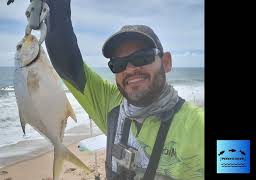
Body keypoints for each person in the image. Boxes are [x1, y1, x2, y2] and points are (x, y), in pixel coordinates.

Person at [44, 0, 204, 179]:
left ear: (166, 62)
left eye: (142, 57)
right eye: (118, 64)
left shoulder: (198, 125)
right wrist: (54, 6)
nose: (129, 69)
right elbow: (68, 64)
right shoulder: (112, 105)